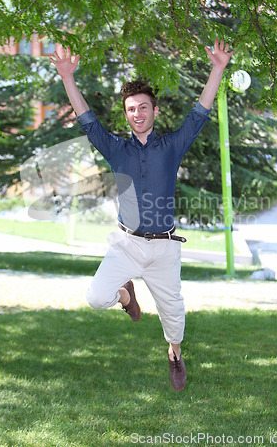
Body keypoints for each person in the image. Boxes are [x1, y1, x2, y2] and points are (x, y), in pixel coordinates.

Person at [50, 40, 234, 391]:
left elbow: (198, 114)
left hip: (165, 248)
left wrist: (217, 69)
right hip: (127, 244)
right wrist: (67, 78)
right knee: (96, 298)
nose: (137, 113)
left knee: (175, 320)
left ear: (155, 110)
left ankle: (174, 353)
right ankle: (126, 296)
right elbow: (87, 121)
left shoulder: (171, 147)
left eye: (143, 107)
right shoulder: (115, 149)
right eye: (131, 109)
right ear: (126, 114)